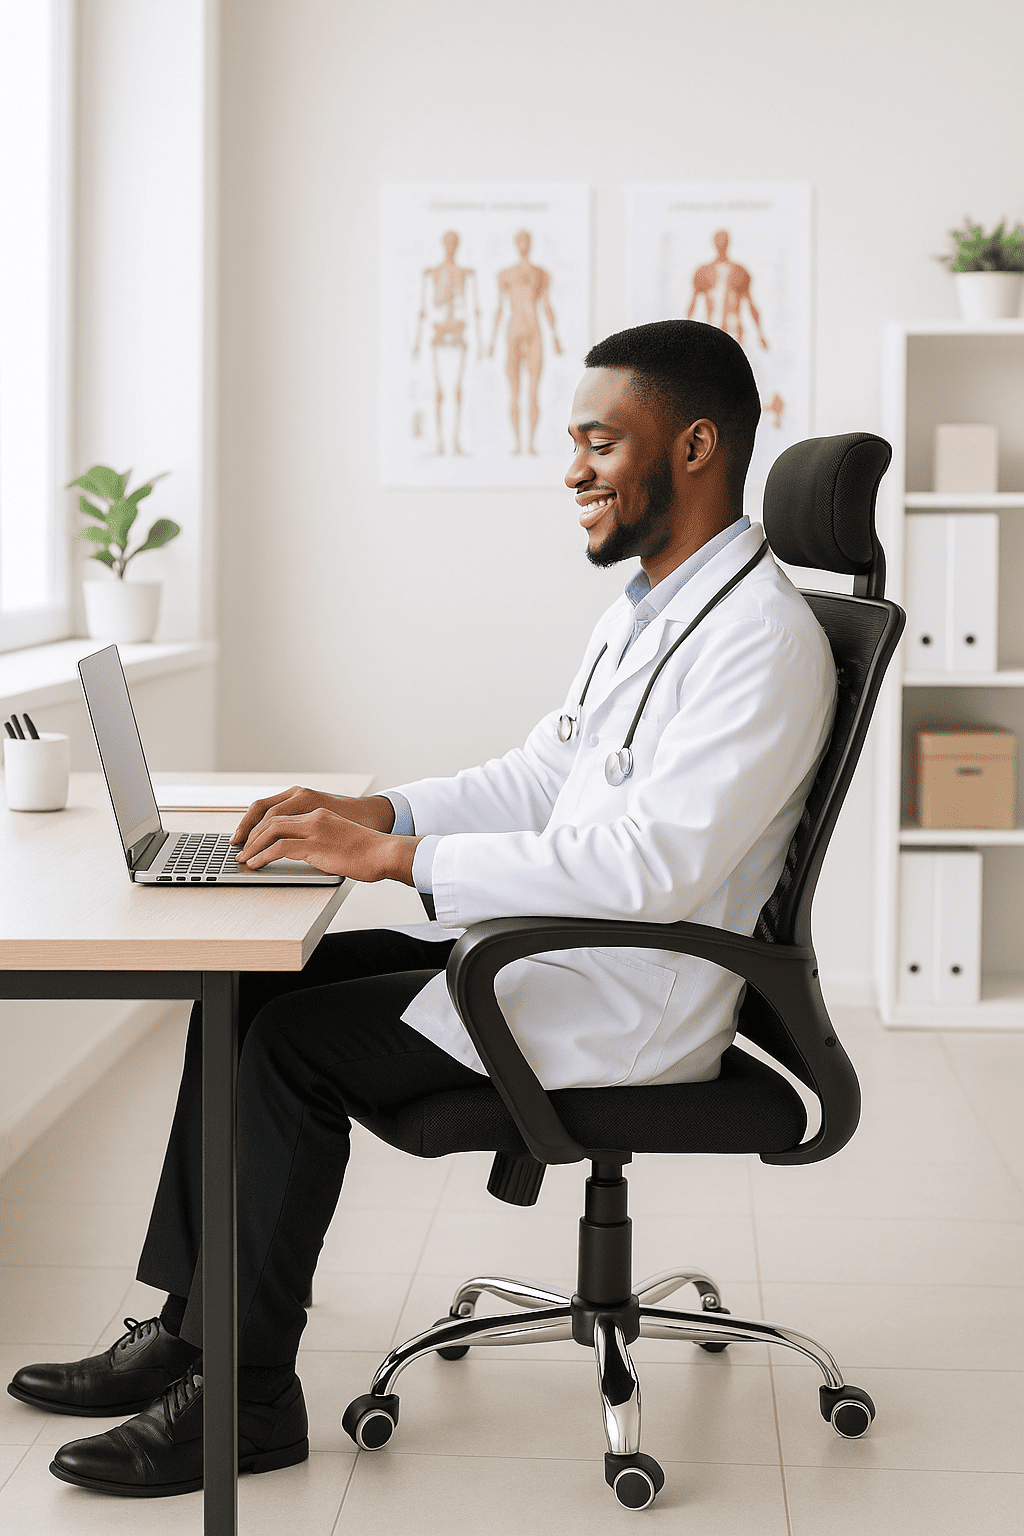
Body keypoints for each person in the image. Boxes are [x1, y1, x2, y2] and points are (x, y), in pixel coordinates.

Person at [7, 319, 836, 1497]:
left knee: (291, 1045)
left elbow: (648, 869)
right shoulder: (652, 611)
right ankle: (190, 1334)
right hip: (565, 952)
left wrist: (397, 859)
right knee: (247, 990)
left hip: (627, 995)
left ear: (695, 446)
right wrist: (377, 809)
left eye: (599, 442)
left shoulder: (761, 643)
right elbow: (543, 777)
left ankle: (246, 1403)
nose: (573, 470)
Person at [489, 229, 563, 453]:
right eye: (520, 240)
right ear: (516, 244)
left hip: (533, 329)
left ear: (530, 244)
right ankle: (516, 443)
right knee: (514, 392)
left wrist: (556, 336)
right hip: (514, 330)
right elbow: (499, 308)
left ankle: (530, 443)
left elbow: (546, 305)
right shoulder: (505, 274)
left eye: (526, 240)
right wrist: (491, 341)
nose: (523, 244)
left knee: (533, 391)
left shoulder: (541, 274)